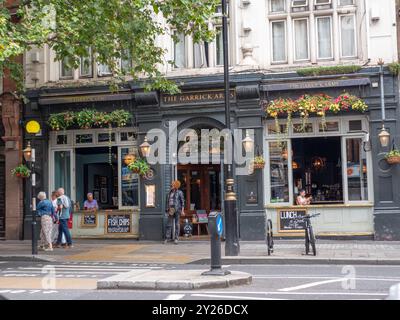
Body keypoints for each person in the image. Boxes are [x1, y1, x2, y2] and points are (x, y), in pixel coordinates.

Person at [164, 180, 185, 244]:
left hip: (177, 209)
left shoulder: (180, 192)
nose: (171, 186)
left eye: (172, 185)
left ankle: (176, 238)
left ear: (176, 186)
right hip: (171, 209)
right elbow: (167, 202)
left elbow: (182, 202)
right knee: (169, 224)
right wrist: (167, 210)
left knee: (177, 224)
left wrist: (182, 211)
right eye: (171, 185)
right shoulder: (169, 193)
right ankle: (167, 238)